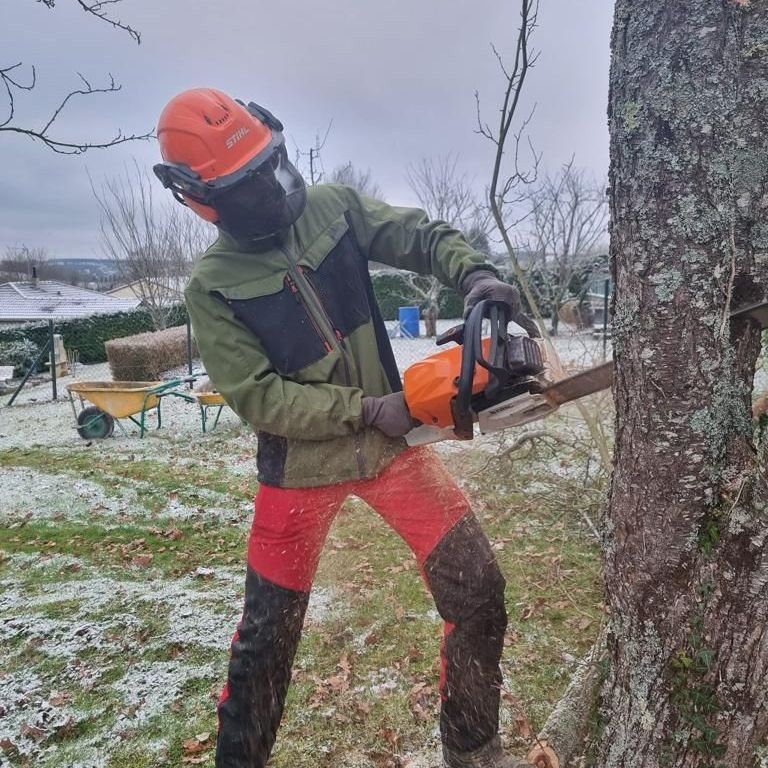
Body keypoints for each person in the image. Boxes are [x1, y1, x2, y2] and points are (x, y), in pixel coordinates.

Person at [154, 88, 537, 768]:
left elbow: (416, 234)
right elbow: (259, 397)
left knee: (478, 591)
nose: (276, 188)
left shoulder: (334, 208)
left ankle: (474, 753)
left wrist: (474, 272)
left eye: (274, 165)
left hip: (393, 452)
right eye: (253, 186)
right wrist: (363, 409)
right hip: (300, 471)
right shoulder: (212, 285)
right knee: (265, 648)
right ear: (205, 200)